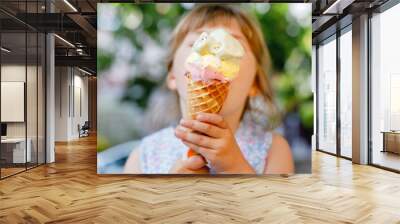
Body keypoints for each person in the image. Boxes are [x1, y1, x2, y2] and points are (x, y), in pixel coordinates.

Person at [124, 4, 294, 174]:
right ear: (172, 76)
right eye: (198, 41)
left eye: (232, 42)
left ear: (255, 83)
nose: (214, 52)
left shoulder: (274, 150)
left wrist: (234, 168)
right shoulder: (143, 155)